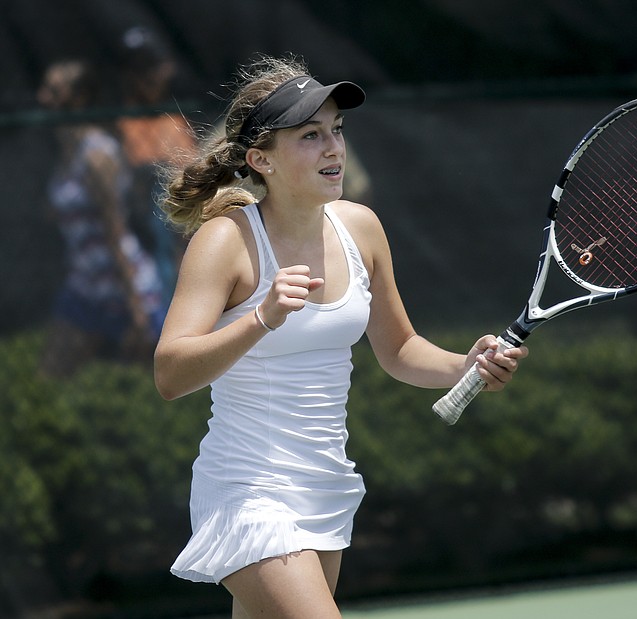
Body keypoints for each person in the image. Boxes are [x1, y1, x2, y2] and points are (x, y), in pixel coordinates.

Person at [153, 55, 528, 619]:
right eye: (309, 135)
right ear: (262, 160)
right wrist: (261, 319)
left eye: (336, 130)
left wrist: (464, 366)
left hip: (326, 488)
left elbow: (399, 350)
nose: (333, 147)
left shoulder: (361, 227)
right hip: (247, 490)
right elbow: (170, 374)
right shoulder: (225, 241)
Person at [38, 59, 166, 378]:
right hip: (85, 284)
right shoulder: (66, 149)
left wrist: (136, 308)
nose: (42, 98)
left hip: (122, 287)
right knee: (49, 376)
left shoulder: (97, 156)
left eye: (54, 91)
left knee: (157, 386)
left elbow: (114, 231)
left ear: (79, 98)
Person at [116, 26, 196, 306]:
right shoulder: (120, 123)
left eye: (150, 67)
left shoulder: (178, 119)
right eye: (135, 69)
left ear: (166, 68)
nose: (144, 77)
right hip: (138, 229)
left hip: (178, 225)